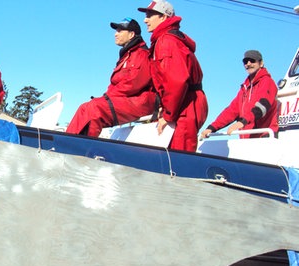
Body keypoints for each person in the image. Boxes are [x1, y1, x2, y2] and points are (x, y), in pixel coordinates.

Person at [65, 18, 156, 137]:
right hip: (127, 99)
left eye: (120, 31)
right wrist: (106, 97)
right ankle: (66, 142)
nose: (115, 33)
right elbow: (116, 83)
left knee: (95, 108)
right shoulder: (127, 55)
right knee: (85, 107)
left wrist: (107, 98)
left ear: (131, 34)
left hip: (139, 102)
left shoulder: (141, 54)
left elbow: (133, 84)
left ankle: (80, 147)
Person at [138, 0, 208, 152]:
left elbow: (177, 80)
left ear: (163, 17)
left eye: (150, 15)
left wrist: (168, 115)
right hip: (181, 101)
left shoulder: (167, 41)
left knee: (179, 152)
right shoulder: (164, 40)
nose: (145, 19)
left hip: (187, 103)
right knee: (170, 150)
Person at [199, 50, 278, 140]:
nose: (248, 64)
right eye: (245, 61)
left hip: (264, 138)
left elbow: (263, 106)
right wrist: (212, 128)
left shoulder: (267, 82)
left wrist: (242, 122)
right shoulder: (244, 89)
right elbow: (231, 111)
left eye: (252, 60)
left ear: (261, 63)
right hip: (246, 139)